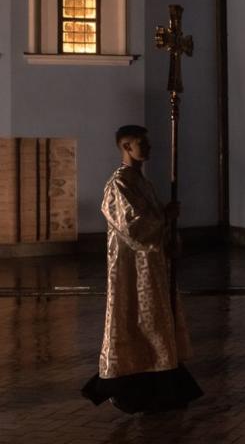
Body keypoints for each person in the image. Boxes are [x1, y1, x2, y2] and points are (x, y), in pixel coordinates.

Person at [81, 125, 202, 413]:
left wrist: (168, 225)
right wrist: (164, 216)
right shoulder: (119, 184)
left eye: (146, 143)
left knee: (156, 322)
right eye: (141, 143)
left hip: (151, 266)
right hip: (131, 269)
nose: (147, 148)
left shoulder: (142, 181)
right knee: (135, 320)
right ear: (126, 146)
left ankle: (161, 381)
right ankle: (130, 386)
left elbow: (152, 221)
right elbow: (133, 226)